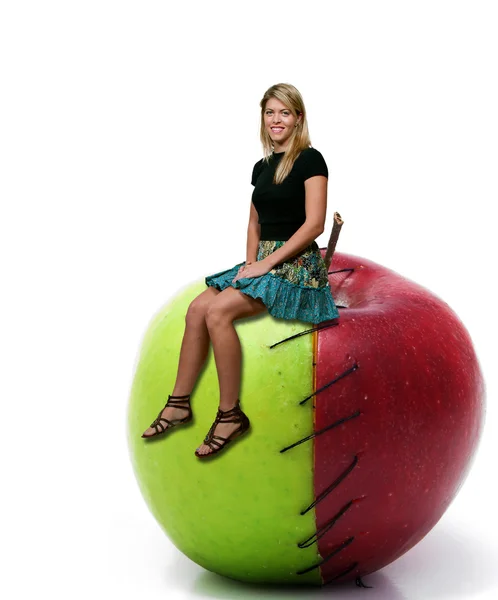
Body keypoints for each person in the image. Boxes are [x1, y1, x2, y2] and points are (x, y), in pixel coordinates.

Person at [141, 83, 340, 459]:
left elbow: (315, 224)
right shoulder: (261, 167)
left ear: (298, 118)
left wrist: (266, 264)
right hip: (262, 259)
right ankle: (179, 402)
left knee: (218, 312)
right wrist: (250, 263)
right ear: (262, 118)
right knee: (197, 308)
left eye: (284, 112)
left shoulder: (311, 160)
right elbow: (254, 222)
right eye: (270, 112)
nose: (276, 120)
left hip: (296, 265)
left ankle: (230, 415)